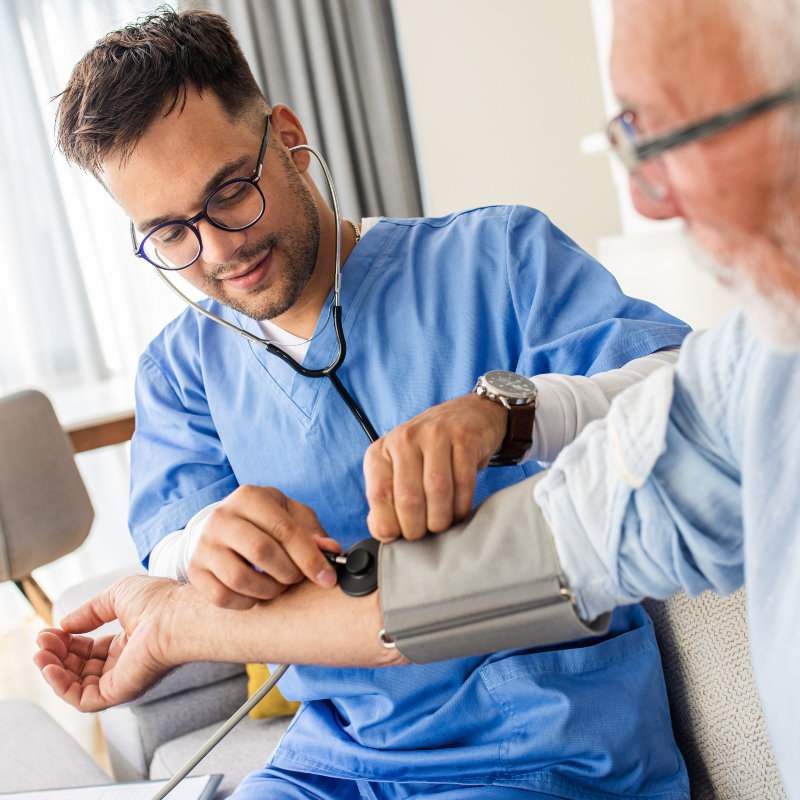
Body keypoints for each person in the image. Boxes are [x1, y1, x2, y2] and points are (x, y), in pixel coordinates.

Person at [34, 9, 692, 799]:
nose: (217, 251)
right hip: (334, 762)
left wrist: (507, 415)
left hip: (546, 745)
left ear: (287, 136)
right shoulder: (182, 372)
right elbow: (168, 543)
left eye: (230, 193)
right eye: (171, 234)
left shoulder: (498, 259)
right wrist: (202, 540)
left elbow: (696, 397)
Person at [360, 0, 800, 795]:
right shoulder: (766, 353)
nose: (651, 203)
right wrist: (183, 615)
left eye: (669, 137)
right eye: (630, 139)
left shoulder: (496, 248)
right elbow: (593, 514)